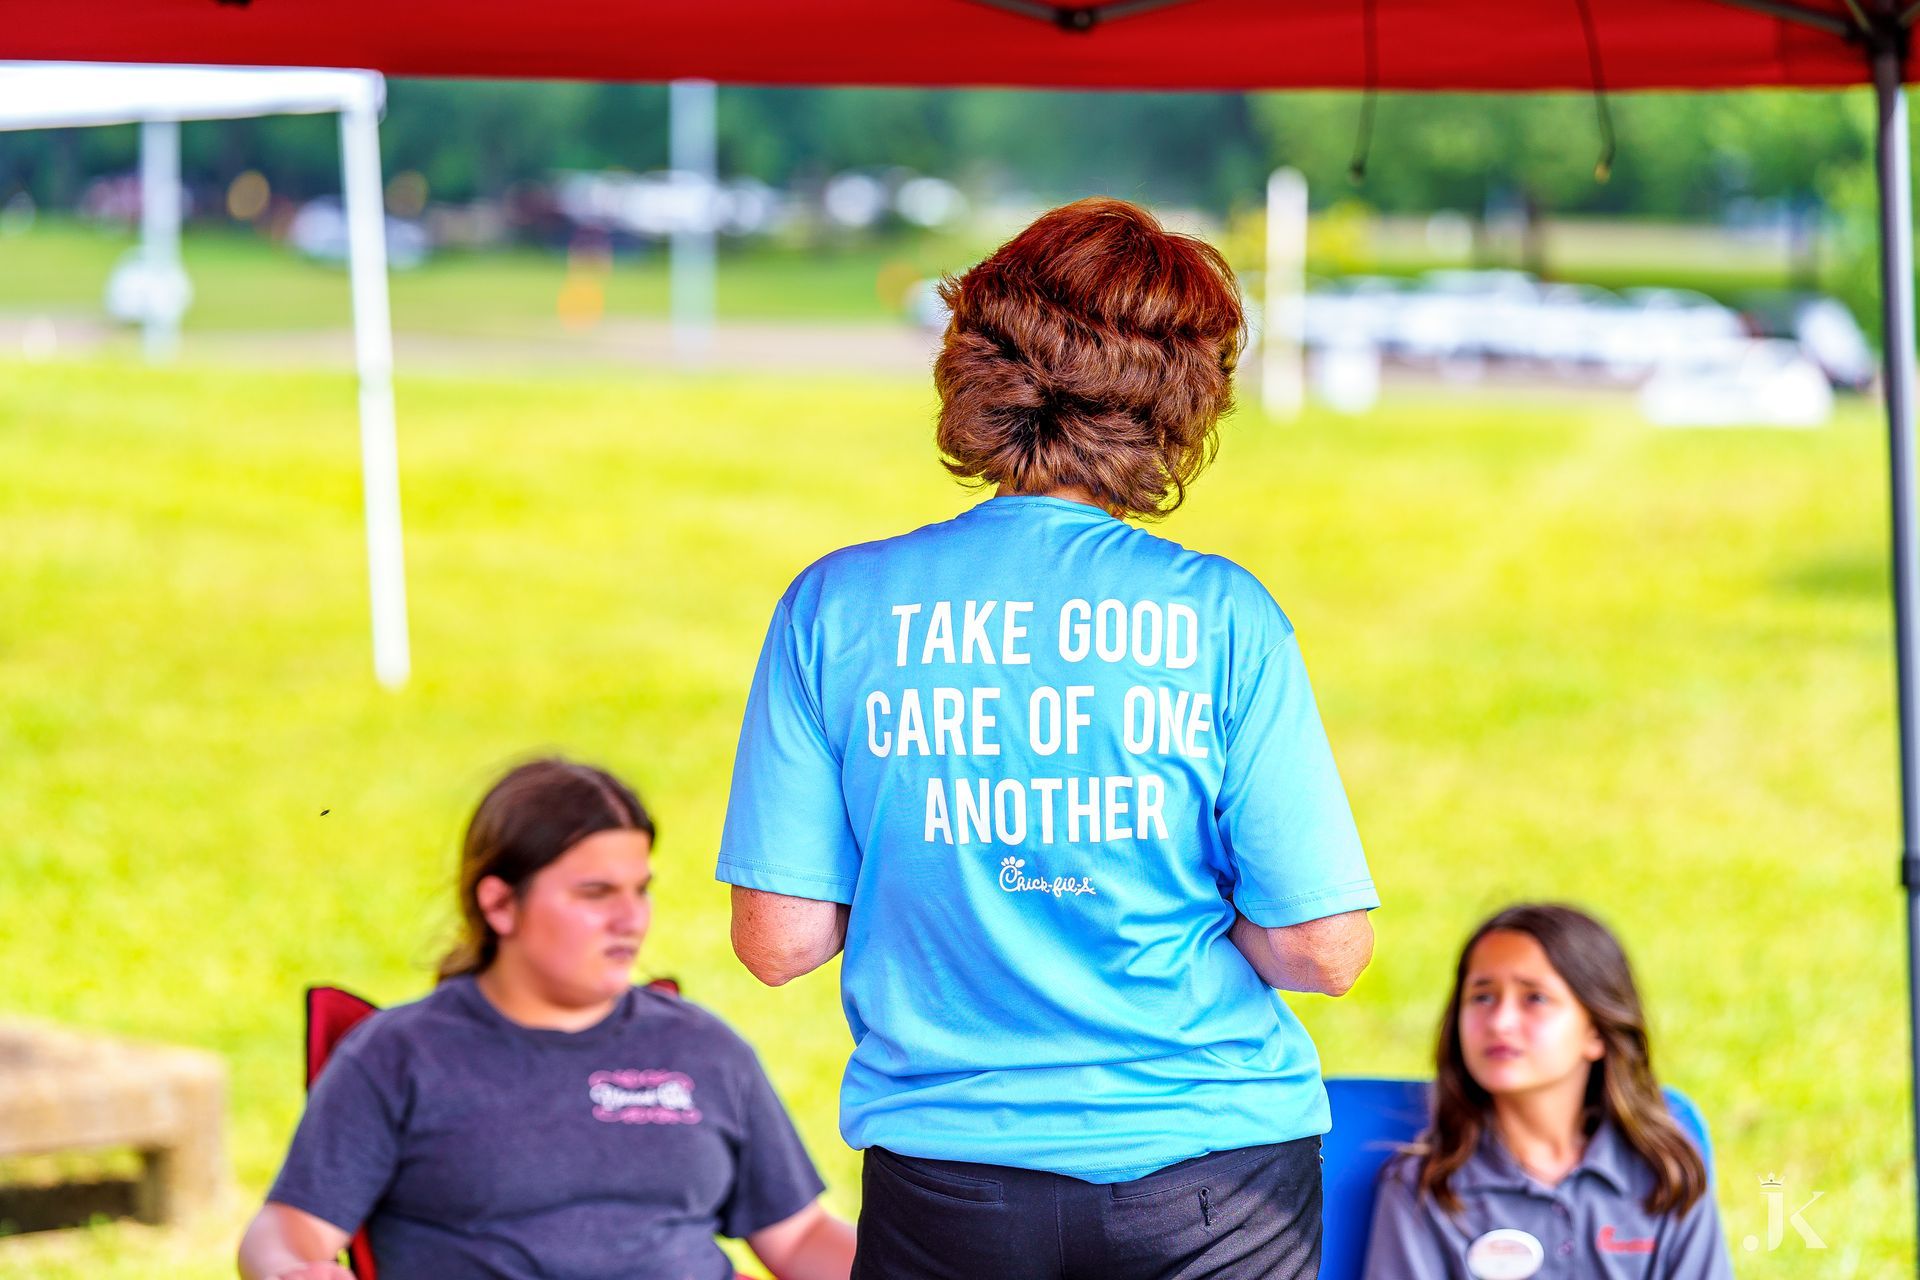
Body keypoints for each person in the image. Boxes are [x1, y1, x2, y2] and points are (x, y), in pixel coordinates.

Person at [715, 197, 1378, 1279]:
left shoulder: (834, 606)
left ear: (975, 358)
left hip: (947, 1170)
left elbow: (777, 938)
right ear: (1182, 398)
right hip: (1213, 1172)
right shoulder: (1221, 615)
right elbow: (1324, 948)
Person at [237, 757, 855, 1280]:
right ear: (500, 903)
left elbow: (798, 1237)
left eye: (638, 889)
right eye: (595, 894)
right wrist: (293, 1268)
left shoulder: (702, 1050)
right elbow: (289, 1227)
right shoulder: (400, 1057)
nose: (631, 919)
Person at [1363, 903, 1733, 1279]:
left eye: (1534, 998)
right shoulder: (1424, 1187)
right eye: (1482, 996)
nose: (1501, 1022)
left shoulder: (1666, 1172)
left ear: (1597, 1031)